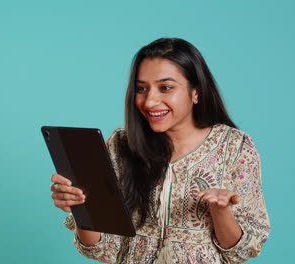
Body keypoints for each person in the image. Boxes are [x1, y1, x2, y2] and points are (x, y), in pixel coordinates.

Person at [50, 38, 270, 264]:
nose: (150, 101)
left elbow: (240, 251)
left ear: (196, 92)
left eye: (166, 88)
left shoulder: (234, 146)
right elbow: (103, 249)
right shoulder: (121, 144)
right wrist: (82, 208)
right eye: (141, 89)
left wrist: (219, 210)